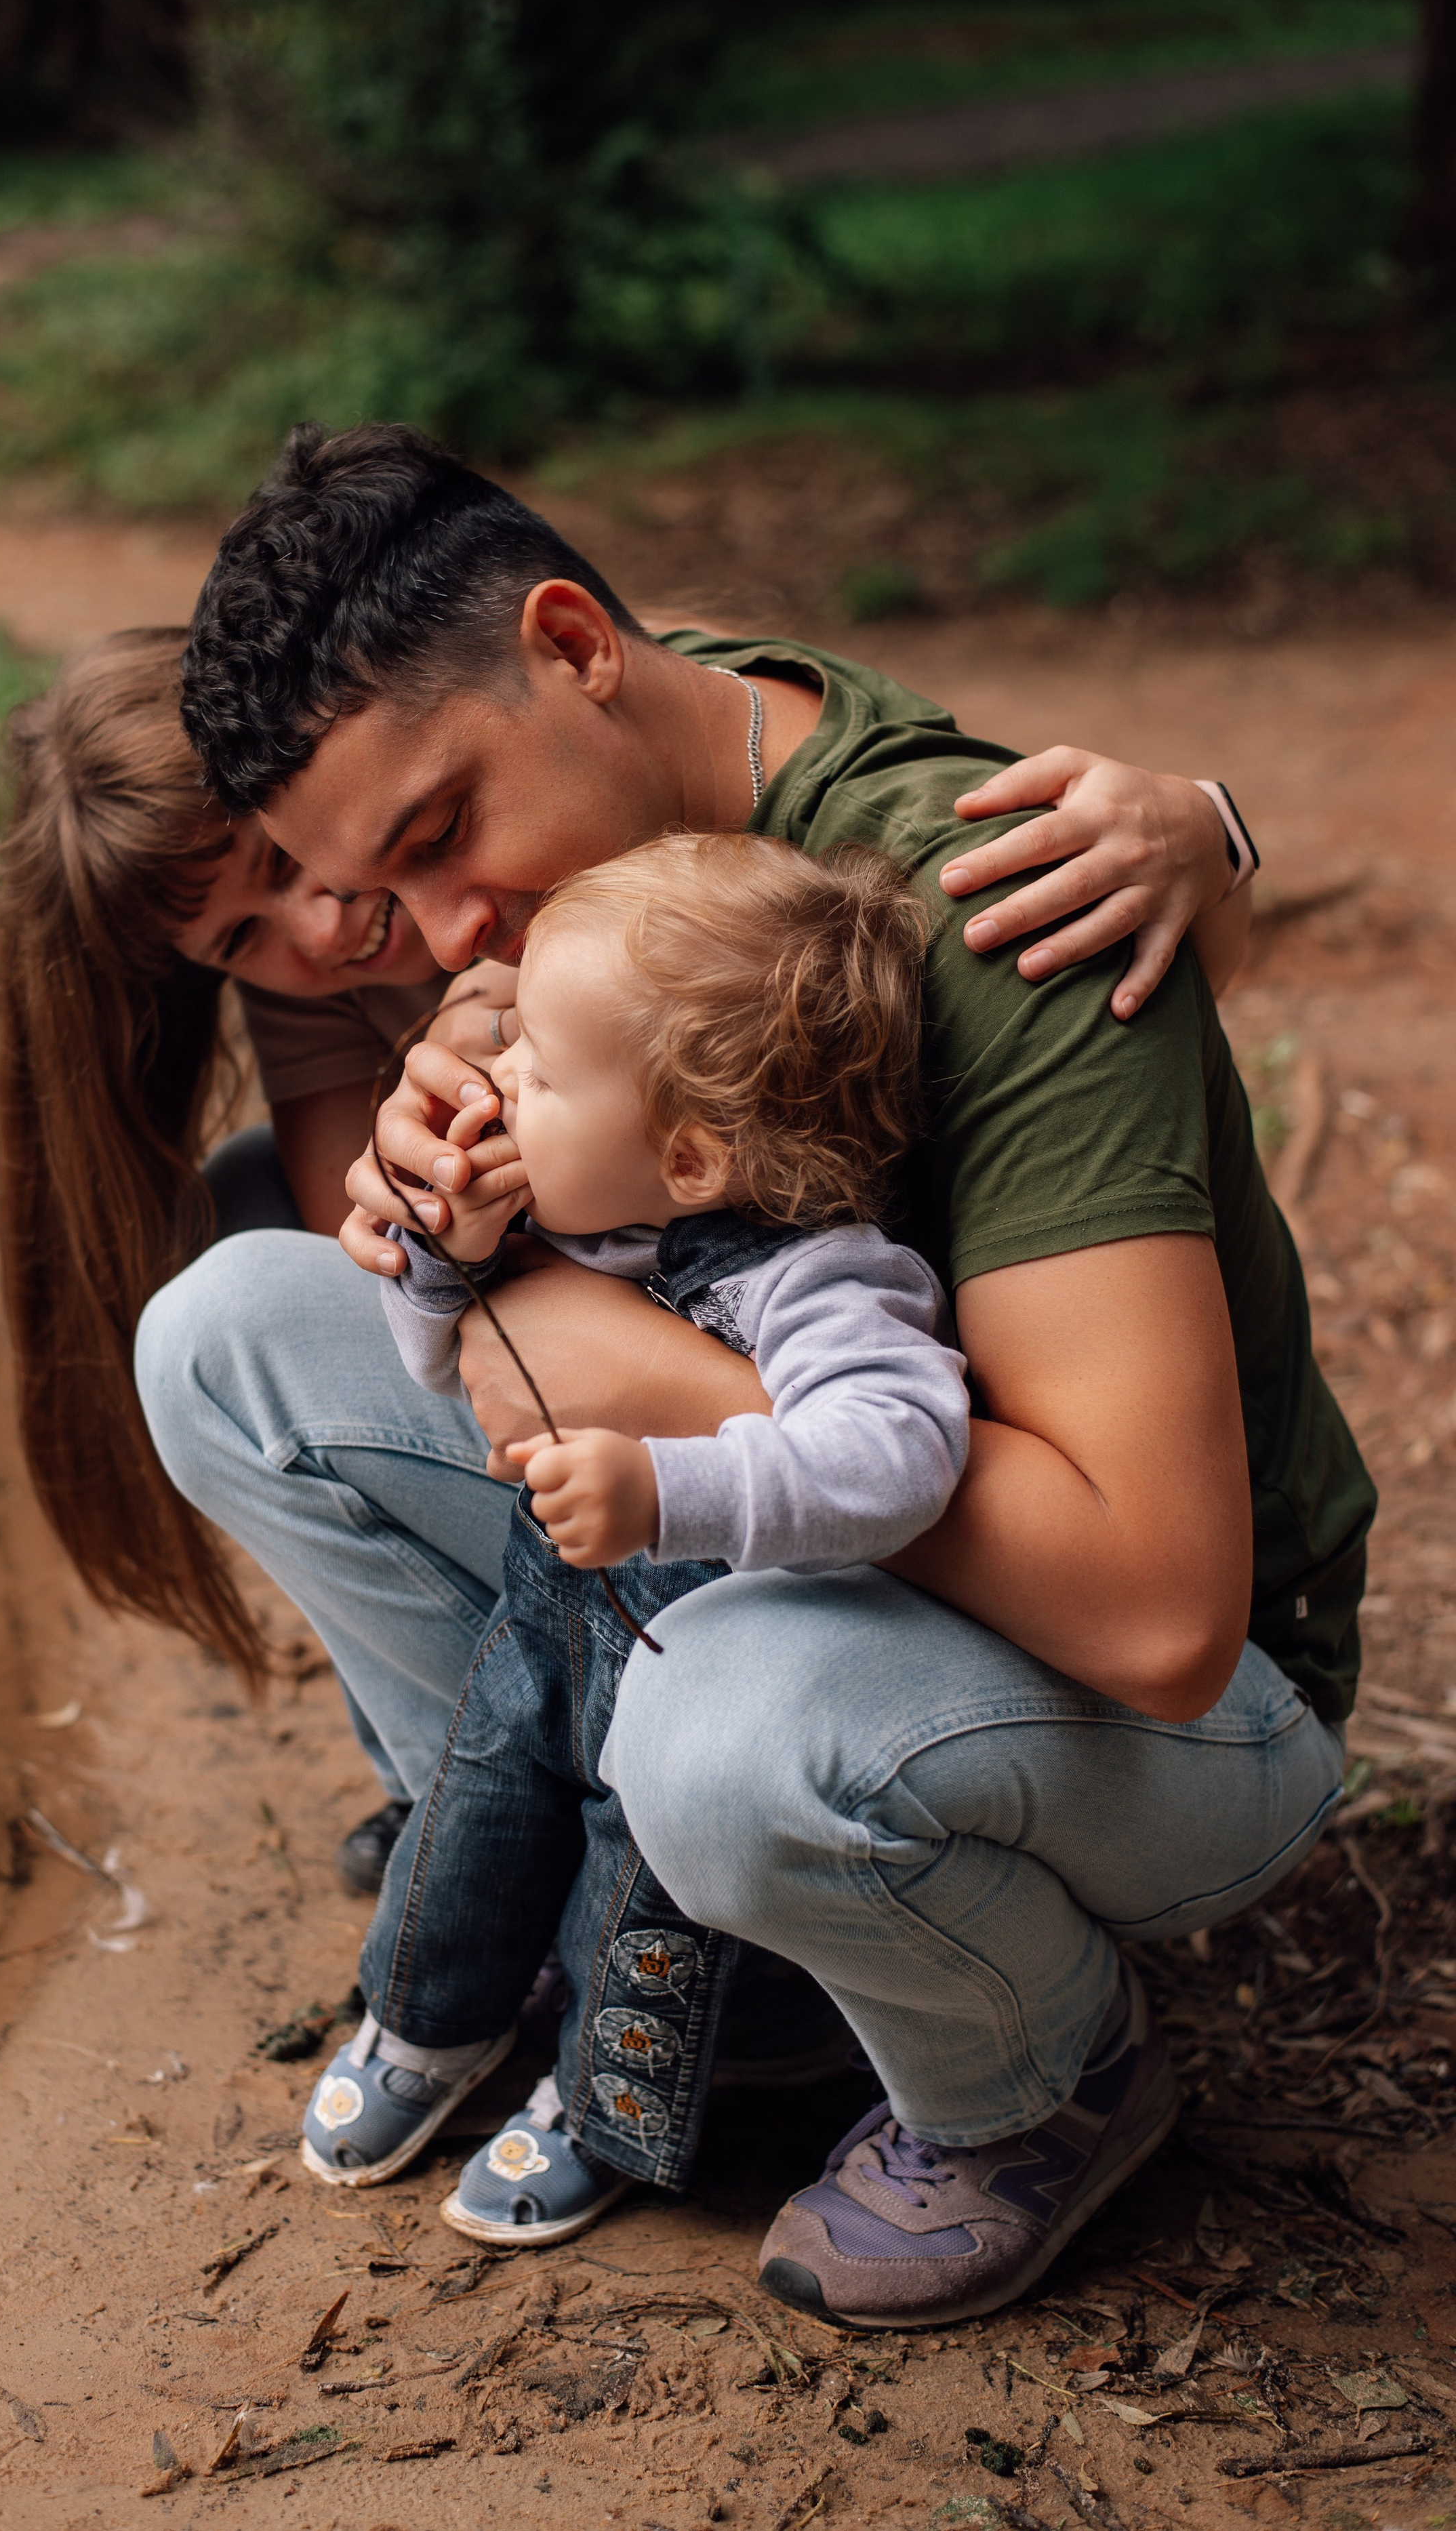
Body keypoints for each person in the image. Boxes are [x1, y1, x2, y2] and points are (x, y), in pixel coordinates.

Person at [138, 420, 1375, 2329]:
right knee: (227, 1337)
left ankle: (1035, 2076)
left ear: (571, 646)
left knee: (717, 1723)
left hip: (1188, 1719)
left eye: (444, 836)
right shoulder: (641, 788)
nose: (451, 937)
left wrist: (590, 1341)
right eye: (387, 898)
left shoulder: (988, 897)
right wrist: (465, 1198)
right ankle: (617, 1935)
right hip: (811, 1555)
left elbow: (1158, 1614)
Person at [299, 833, 969, 2247]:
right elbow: (437, 1368)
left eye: (539, 1068)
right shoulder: (601, 1224)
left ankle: (595, 2105)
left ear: (684, 1150)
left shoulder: (823, 1277)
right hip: (548, 1629)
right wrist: (448, 1257)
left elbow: (902, 1453)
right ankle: (427, 2020)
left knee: (638, 1887)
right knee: (477, 1799)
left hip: (706, 1665)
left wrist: (672, 1487)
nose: (500, 1082)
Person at [0, 624, 504, 1888]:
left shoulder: (487, 813)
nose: (318, 928)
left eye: (284, 856)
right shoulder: (312, 973)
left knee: (230, 1330)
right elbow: (363, 1228)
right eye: (239, 940)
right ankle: (440, 1774)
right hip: (507, 1293)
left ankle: (510, 1817)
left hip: (692, 1347)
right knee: (239, 1208)